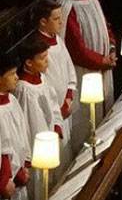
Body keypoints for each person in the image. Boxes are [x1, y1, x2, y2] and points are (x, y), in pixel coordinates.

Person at [58, 0, 116, 153]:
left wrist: (112, 48)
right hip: (84, 73)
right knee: (87, 122)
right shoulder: (66, 6)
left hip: (103, 66)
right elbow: (76, 49)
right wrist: (102, 61)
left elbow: (104, 25)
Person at [15, 37, 63, 187]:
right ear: (29, 62)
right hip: (35, 147)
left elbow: (53, 102)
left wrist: (56, 124)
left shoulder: (41, 78)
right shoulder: (23, 89)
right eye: (42, 58)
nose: (47, 61)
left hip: (49, 140)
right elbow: (24, 125)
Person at [33, 0, 77, 150]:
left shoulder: (57, 40)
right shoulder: (38, 51)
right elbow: (45, 84)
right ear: (43, 21)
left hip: (65, 106)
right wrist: (58, 107)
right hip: (53, 112)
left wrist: (69, 97)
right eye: (56, 19)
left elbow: (69, 69)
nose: (61, 23)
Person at [0, 52, 32, 200]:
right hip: (9, 180)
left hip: (20, 171)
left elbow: (22, 134)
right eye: (12, 74)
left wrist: (25, 162)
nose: (17, 77)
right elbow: (4, 148)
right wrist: (10, 175)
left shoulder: (12, 100)